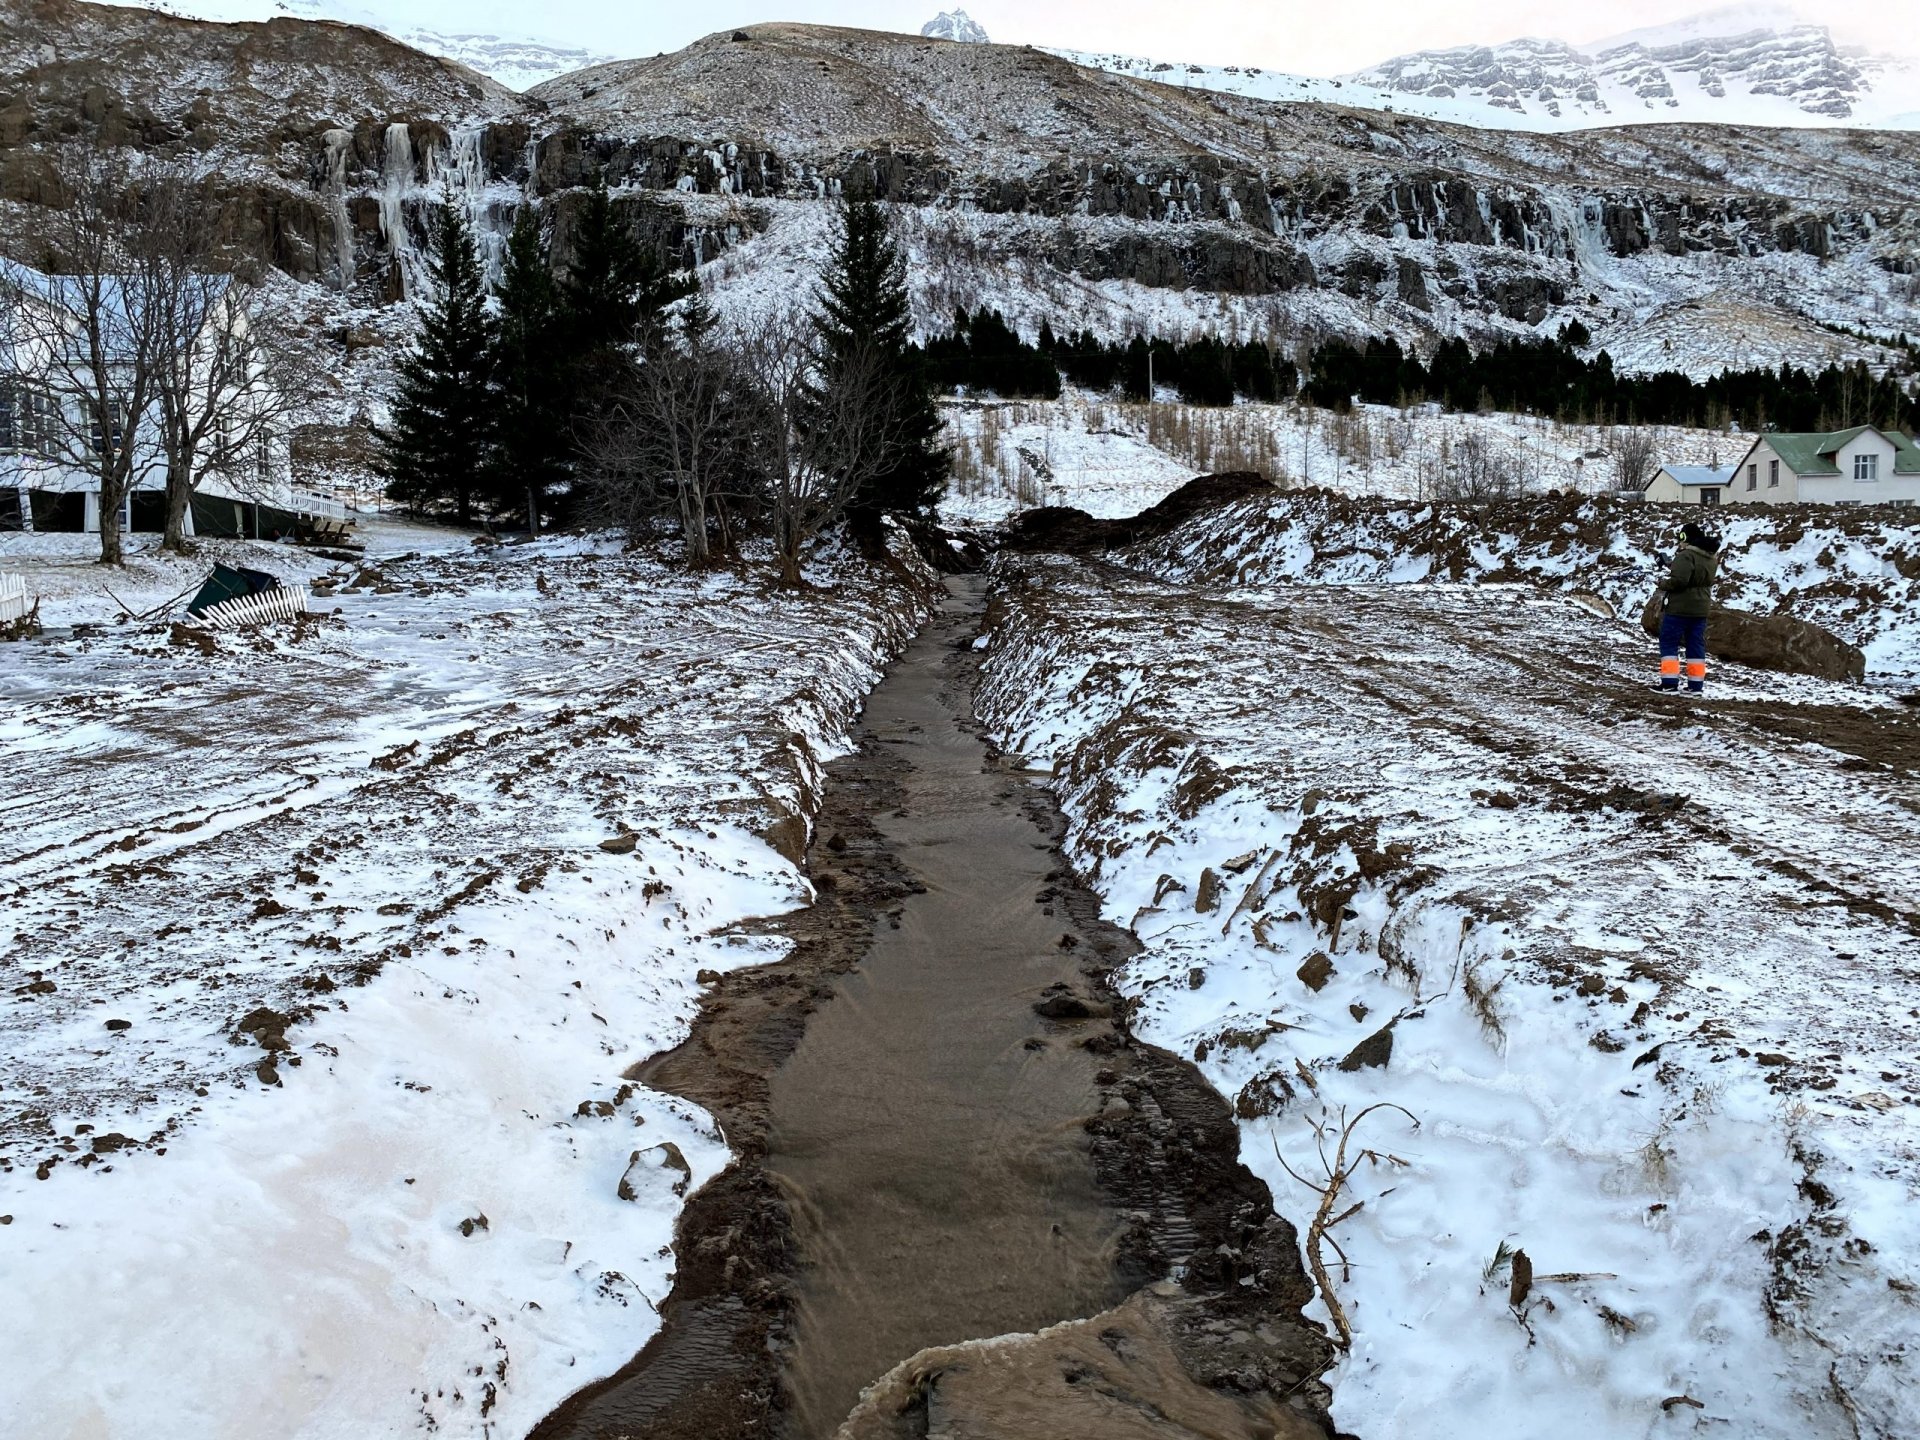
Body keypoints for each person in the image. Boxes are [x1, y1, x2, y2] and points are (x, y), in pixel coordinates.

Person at [1656, 521, 1720, 694]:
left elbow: (1679, 581)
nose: (1679, 542)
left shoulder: (1686, 556)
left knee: (1669, 642)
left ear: (1686, 538)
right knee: (1695, 645)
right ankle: (1695, 686)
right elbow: (1695, 575)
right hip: (1701, 609)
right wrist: (1672, 565)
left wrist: (1662, 583)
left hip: (1680, 608)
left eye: (1681, 538)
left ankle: (1669, 683)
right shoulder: (1710, 557)